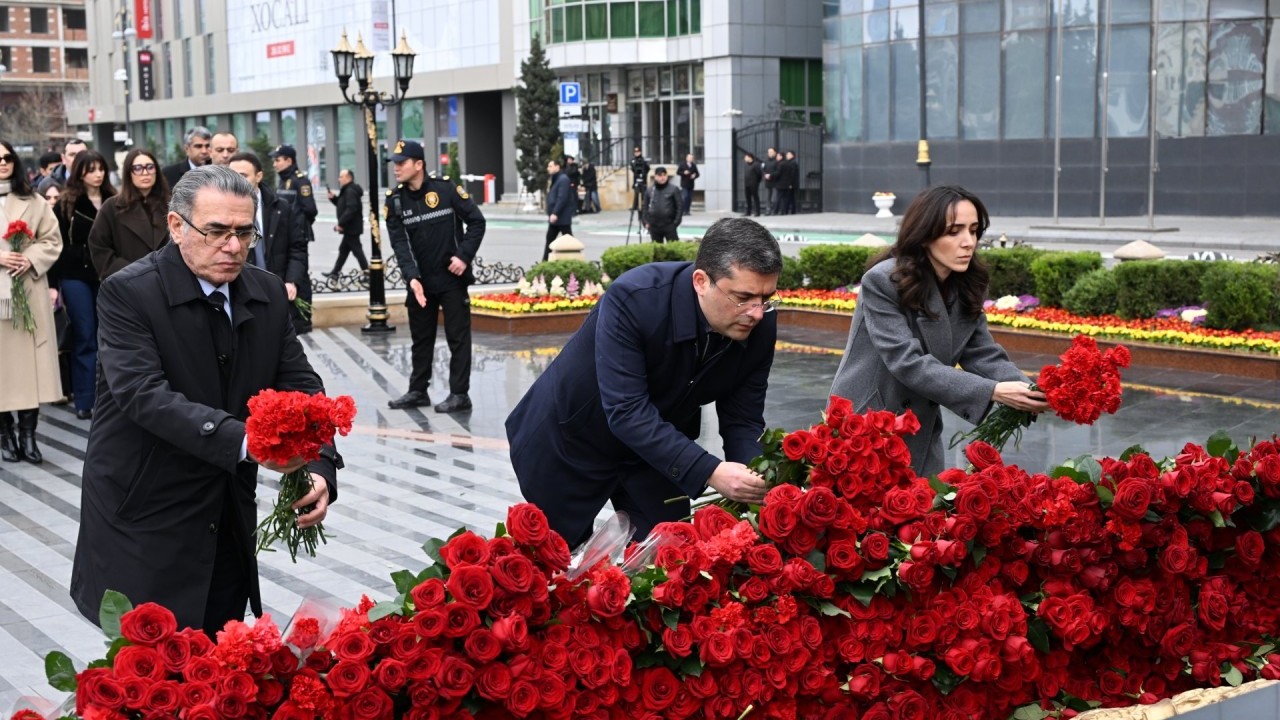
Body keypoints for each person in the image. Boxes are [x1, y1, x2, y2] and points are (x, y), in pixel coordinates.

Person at [70, 165, 341, 636]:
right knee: (149, 666)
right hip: (146, 512)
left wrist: (319, 464)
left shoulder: (266, 290)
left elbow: (301, 384)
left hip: (226, 513)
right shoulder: (129, 293)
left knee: (220, 656)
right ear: (177, 226)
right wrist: (251, 443)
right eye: (216, 231)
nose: (233, 247)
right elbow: (143, 394)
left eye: (245, 233)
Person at [507, 217, 780, 547]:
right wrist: (711, 471)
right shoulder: (635, 299)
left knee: (670, 558)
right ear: (701, 281)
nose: (757, 313)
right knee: (560, 563)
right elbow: (627, 411)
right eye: (743, 297)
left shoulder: (759, 324)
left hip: (656, 452)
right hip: (569, 443)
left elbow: (743, 419)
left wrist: (757, 481)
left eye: (766, 298)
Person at [829, 186, 1049, 478]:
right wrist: (993, 391)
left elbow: (982, 353)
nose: (968, 242)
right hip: (869, 424)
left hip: (921, 424)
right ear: (924, 234)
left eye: (974, 230)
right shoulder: (883, 281)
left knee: (924, 501)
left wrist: (1031, 391)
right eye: (954, 232)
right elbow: (908, 363)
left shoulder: (966, 284)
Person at [384, 140, 485, 414]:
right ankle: (418, 391)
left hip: (451, 280)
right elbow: (400, 244)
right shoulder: (395, 200)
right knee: (421, 339)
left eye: (401, 163)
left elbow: (477, 221)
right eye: (394, 163)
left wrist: (463, 256)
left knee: (458, 338)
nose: (396, 168)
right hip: (421, 283)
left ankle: (459, 394)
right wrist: (411, 278)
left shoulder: (446, 189)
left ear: (419, 164)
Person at [0, 140, 63, 465]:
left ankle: (28, 434)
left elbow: (52, 239)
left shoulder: (33, 200)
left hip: (27, 286)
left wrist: (30, 258)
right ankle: (5, 434)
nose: (2, 163)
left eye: (7, 158)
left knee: (30, 368)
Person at [51, 150, 115, 420]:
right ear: (79, 172)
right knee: (85, 334)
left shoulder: (114, 199)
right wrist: (53, 284)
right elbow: (55, 245)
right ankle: (85, 399)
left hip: (109, 275)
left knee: (110, 336)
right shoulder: (66, 202)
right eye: (91, 170)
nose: (97, 174)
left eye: (101, 168)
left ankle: (110, 398)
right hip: (75, 275)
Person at [227, 152, 312, 335]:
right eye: (232, 176)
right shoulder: (223, 211)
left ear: (258, 176)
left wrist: (291, 281)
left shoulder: (281, 207)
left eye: (243, 175)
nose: (236, 181)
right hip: (242, 295)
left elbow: (297, 248)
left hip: (277, 292)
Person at [89, 148, 172, 279]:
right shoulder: (112, 207)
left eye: (150, 167)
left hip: (167, 279)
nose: (145, 173)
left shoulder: (171, 205)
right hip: (128, 280)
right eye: (138, 168)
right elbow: (99, 247)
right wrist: (130, 272)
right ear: (129, 173)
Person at [269, 145, 318, 243]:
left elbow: (310, 209)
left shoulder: (300, 181)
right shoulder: (283, 179)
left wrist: (299, 224)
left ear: (288, 161)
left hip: (297, 234)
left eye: (277, 160)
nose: (274, 164)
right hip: (283, 232)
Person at [325, 168, 367, 276]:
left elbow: (351, 209)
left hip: (351, 227)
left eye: (341, 177)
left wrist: (341, 224)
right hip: (350, 227)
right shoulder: (347, 190)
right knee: (343, 251)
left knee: (357, 251)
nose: (339, 179)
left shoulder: (350, 191)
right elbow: (342, 205)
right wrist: (333, 198)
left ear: (348, 178)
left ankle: (368, 274)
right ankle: (335, 273)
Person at [543, 158, 574, 262]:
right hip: (556, 219)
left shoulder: (563, 179)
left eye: (550, 166)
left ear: (557, 167)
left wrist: (555, 213)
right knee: (550, 240)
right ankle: (545, 263)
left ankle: (575, 261)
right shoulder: (556, 179)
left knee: (569, 241)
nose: (548, 168)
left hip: (561, 217)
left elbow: (562, 198)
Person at [641, 166, 682, 243]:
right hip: (654, 225)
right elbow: (645, 207)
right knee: (657, 249)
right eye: (660, 175)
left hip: (669, 224)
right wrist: (645, 221)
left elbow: (679, 206)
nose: (662, 178)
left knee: (673, 248)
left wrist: (676, 223)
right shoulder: (650, 190)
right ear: (655, 176)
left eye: (664, 175)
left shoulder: (673, 189)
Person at [629, 146, 650, 211]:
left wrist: (643, 174)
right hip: (636, 179)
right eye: (635, 152)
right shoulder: (633, 160)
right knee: (636, 193)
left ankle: (644, 206)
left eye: (638, 151)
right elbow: (633, 168)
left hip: (643, 180)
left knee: (644, 194)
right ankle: (635, 206)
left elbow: (647, 168)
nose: (636, 153)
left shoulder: (643, 160)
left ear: (640, 152)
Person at [743, 152, 763, 217]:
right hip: (747, 184)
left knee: (755, 198)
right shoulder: (746, 165)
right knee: (748, 198)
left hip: (754, 184)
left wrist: (757, 182)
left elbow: (759, 174)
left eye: (746, 157)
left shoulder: (756, 164)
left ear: (750, 157)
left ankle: (757, 212)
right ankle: (748, 212)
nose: (745, 159)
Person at [781, 150, 799, 215]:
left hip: (791, 183)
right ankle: (792, 210)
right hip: (791, 183)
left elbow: (792, 174)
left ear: (792, 155)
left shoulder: (792, 163)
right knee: (791, 197)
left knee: (789, 197)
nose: (787, 155)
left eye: (788, 154)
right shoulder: (790, 162)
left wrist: (790, 183)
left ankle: (788, 210)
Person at [762, 147, 779, 215]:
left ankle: (775, 210)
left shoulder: (777, 161)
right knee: (768, 197)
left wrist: (770, 175)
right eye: (769, 152)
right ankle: (768, 210)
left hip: (775, 182)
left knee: (775, 197)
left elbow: (778, 171)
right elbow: (762, 170)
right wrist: (765, 175)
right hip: (767, 182)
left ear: (775, 153)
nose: (770, 153)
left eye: (771, 152)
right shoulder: (765, 161)